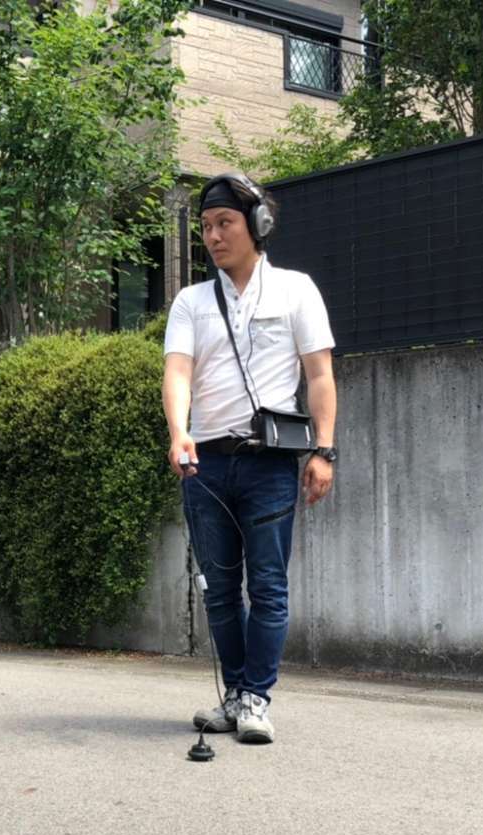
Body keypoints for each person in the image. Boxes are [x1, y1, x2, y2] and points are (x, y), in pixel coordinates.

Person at [162, 172, 338, 745]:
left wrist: (324, 450)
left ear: (258, 225)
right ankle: (235, 694)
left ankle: (257, 697)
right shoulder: (191, 302)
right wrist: (179, 432)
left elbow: (319, 374)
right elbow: (178, 372)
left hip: (268, 465)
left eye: (225, 223)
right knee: (218, 588)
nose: (213, 236)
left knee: (267, 585)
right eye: (206, 226)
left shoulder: (295, 290)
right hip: (206, 464)